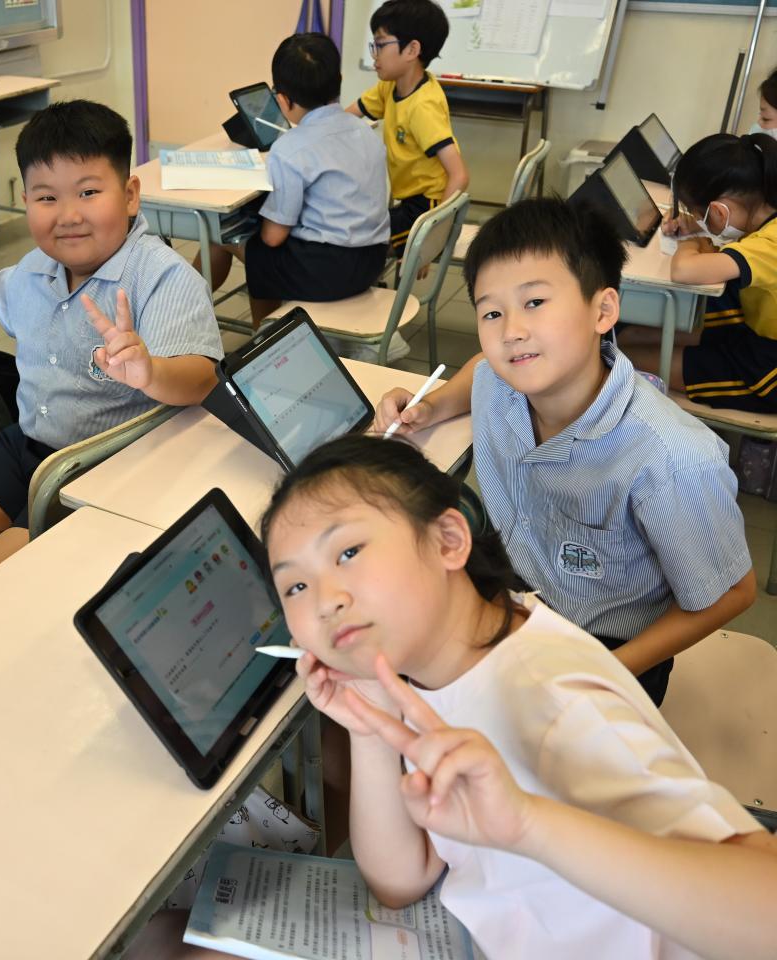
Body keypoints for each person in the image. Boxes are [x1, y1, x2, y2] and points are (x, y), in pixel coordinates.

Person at [267, 434, 776, 960]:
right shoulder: (440, 665)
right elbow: (401, 880)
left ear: (448, 540)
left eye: (348, 552)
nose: (325, 601)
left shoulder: (553, 701)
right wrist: (371, 723)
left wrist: (530, 825)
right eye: (295, 587)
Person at [374, 197, 754, 705]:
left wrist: (605, 674)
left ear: (603, 310)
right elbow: (482, 368)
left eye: (535, 302)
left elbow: (732, 592)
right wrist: (432, 406)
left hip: (609, 647)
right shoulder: (501, 382)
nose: (511, 332)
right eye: (492, 312)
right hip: (519, 591)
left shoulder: (671, 459)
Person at [0, 100, 222, 581]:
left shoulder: (162, 276)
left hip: (98, 468)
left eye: (89, 192)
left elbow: (202, 378)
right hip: (26, 448)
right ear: (26, 202)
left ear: (129, 195)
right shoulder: (39, 267)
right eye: (47, 198)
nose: (68, 215)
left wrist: (151, 372)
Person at [198, 32, 389, 326]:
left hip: (328, 271)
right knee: (259, 247)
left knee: (230, 241)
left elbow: (274, 237)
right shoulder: (364, 131)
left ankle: (264, 337)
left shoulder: (290, 148)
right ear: (338, 80)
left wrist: (253, 225)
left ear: (282, 100)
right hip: (372, 260)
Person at [625, 133, 777, 413]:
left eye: (698, 213)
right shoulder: (765, 216)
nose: (696, 219)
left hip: (767, 368)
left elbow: (684, 270)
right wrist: (698, 226)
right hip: (752, 332)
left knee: (624, 356)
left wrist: (694, 239)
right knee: (628, 336)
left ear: (719, 210)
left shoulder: (770, 244)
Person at [347, 0, 468, 255]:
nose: (375, 54)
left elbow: (459, 175)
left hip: (427, 207)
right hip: (409, 201)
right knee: (353, 228)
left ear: (412, 49)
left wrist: (431, 238)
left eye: (380, 45)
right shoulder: (390, 86)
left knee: (356, 247)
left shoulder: (423, 106)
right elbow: (347, 116)